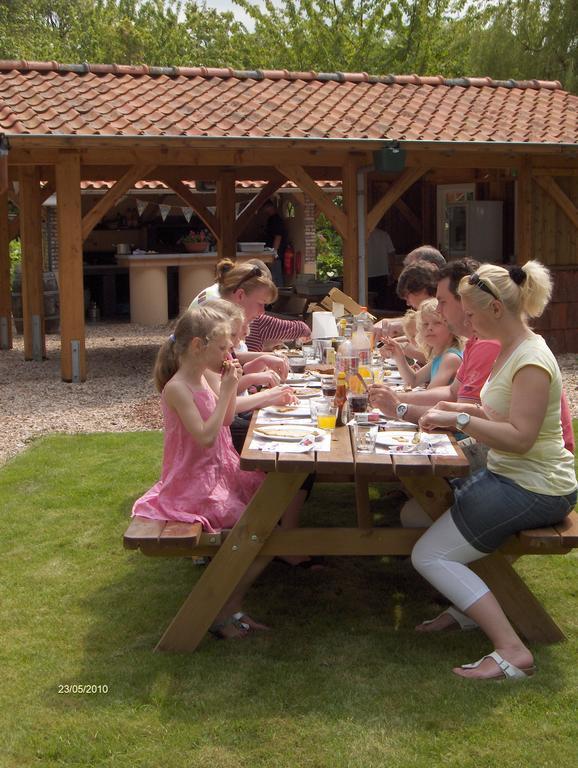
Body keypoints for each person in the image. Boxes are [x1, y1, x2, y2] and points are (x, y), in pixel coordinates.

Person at [410, 261, 576, 680]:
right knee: (420, 516)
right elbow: (496, 411)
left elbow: (520, 436)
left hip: (535, 487)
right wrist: (458, 408)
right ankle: (465, 607)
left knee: (429, 554)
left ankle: (511, 650)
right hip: (513, 478)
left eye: (469, 313)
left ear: (496, 309)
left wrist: (460, 421)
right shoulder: (511, 350)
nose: (465, 321)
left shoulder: (532, 360)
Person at [192, 259, 311, 354]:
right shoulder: (217, 311)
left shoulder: (216, 295)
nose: (262, 311)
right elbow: (221, 360)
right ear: (240, 295)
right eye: (261, 303)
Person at [381, 298, 463, 389]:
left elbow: (431, 394)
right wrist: (398, 355)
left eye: (437, 323)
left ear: (451, 327)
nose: (430, 328)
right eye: (425, 324)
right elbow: (413, 381)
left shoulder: (451, 358)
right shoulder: (441, 356)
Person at [367, 226, 396, 308]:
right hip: (381, 273)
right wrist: (391, 271)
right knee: (381, 303)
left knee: (365, 302)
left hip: (366, 274)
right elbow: (391, 254)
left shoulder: (360, 236)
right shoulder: (384, 235)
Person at [262, 199, 287, 287]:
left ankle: (279, 297)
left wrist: (274, 252)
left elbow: (278, 236)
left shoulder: (276, 220)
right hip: (270, 251)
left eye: (265, 208)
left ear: (270, 207)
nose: (264, 210)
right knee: (272, 275)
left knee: (276, 275)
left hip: (276, 253)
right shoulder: (271, 219)